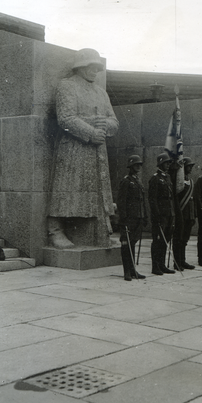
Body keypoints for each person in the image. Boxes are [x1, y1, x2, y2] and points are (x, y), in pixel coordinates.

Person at [47, 48, 119, 249]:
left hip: (97, 151)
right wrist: (90, 132)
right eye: (90, 66)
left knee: (93, 195)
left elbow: (114, 121)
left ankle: (95, 232)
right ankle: (55, 230)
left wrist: (105, 125)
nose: (94, 71)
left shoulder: (101, 92)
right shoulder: (67, 86)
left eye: (97, 67)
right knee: (66, 189)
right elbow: (65, 118)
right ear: (79, 67)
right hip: (73, 148)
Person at [117, 155, 147, 281]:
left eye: (140, 164)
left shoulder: (138, 181)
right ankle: (127, 272)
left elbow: (142, 201)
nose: (138, 166)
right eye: (136, 165)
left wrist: (144, 216)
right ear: (130, 166)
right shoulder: (126, 181)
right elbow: (121, 201)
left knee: (133, 243)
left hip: (137, 217)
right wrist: (123, 218)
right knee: (126, 245)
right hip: (129, 218)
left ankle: (133, 269)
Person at [148, 153, 175, 275]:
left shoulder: (167, 177)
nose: (168, 165)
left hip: (168, 214)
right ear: (160, 164)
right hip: (160, 215)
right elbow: (152, 199)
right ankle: (155, 266)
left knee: (166, 240)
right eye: (166, 163)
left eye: (169, 163)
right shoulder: (155, 178)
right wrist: (157, 215)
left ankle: (162, 264)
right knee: (158, 240)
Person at [173, 157, 197, 270]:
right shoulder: (180, 183)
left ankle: (183, 260)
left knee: (185, 240)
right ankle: (177, 262)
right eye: (189, 166)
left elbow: (193, 201)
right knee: (179, 239)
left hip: (189, 216)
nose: (190, 168)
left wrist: (193, 215)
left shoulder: (191, 181)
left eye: (192, 166)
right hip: (181, 215)